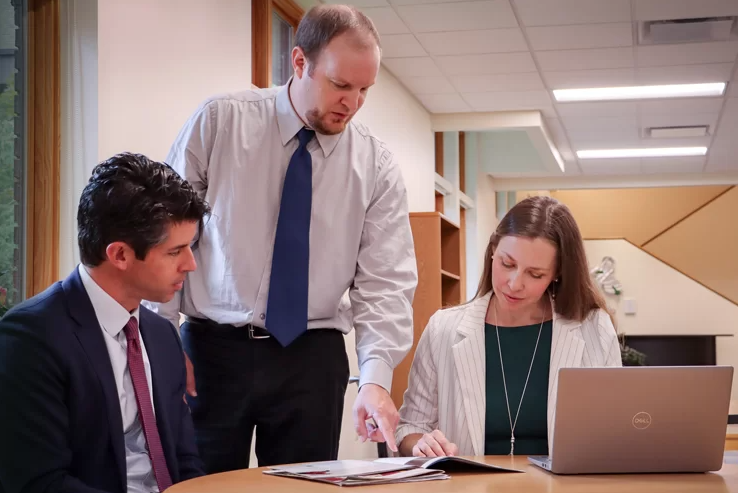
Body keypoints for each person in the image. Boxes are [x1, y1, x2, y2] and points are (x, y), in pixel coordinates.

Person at [145, 4, 417, 472]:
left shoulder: (376, 166)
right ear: (299, 63)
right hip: (213, 350)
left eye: (364, 90)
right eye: (340, 84)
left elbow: (385, 284)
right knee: (197, 481)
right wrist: (161, 344)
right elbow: (164, 237)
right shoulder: (220, 122)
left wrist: (375, 378)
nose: (351, 102)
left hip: (312, 358)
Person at [0, 153, 209, 493]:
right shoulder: (30, 338)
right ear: (120, 255)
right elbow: (39, 482)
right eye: (175, 251)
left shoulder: (161, 336)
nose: (190, 264)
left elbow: (185, 462)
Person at [395, 196, 622, 458]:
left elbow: (615, 430)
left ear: (558, 273)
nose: (514, 284)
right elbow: (410, 427)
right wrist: (421, 444)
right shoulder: (442, 329)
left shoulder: (593, 328)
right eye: (507, 264)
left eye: (535, 274)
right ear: (493, 249)